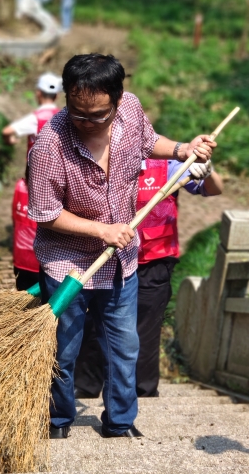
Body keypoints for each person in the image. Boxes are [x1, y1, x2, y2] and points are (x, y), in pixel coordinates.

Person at [27, 53, 215, 439]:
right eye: (78, 113)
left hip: (121, 263)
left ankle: (119, 422)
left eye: (98, 115)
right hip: (68, 266)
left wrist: (182, 149)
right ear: (67, 97)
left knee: (124, 346)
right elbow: (45, 214)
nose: (87, 123)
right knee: (63, 350)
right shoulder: (48, 147)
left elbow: (149, 142)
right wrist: (102, 230)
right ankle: (58, 420)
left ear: (116, 99)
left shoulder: (130, 109)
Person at [73, 158, 223, 401]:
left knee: (146, 328)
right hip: (106, 259)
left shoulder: (168, 167)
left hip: (154, 261)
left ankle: (143, 392)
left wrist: (209, 170)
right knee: (94, 321)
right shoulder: (99, 161)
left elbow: (214, 188)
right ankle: (86, 387)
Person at [2, 73, 63, 291]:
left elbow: (7, 132)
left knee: (30, 223)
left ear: (38, 93)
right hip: (58, 184)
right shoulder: (64, 117)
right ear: (57, 95)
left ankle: (29, 267)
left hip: (34, 182)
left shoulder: (35, 118)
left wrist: (10, 140)